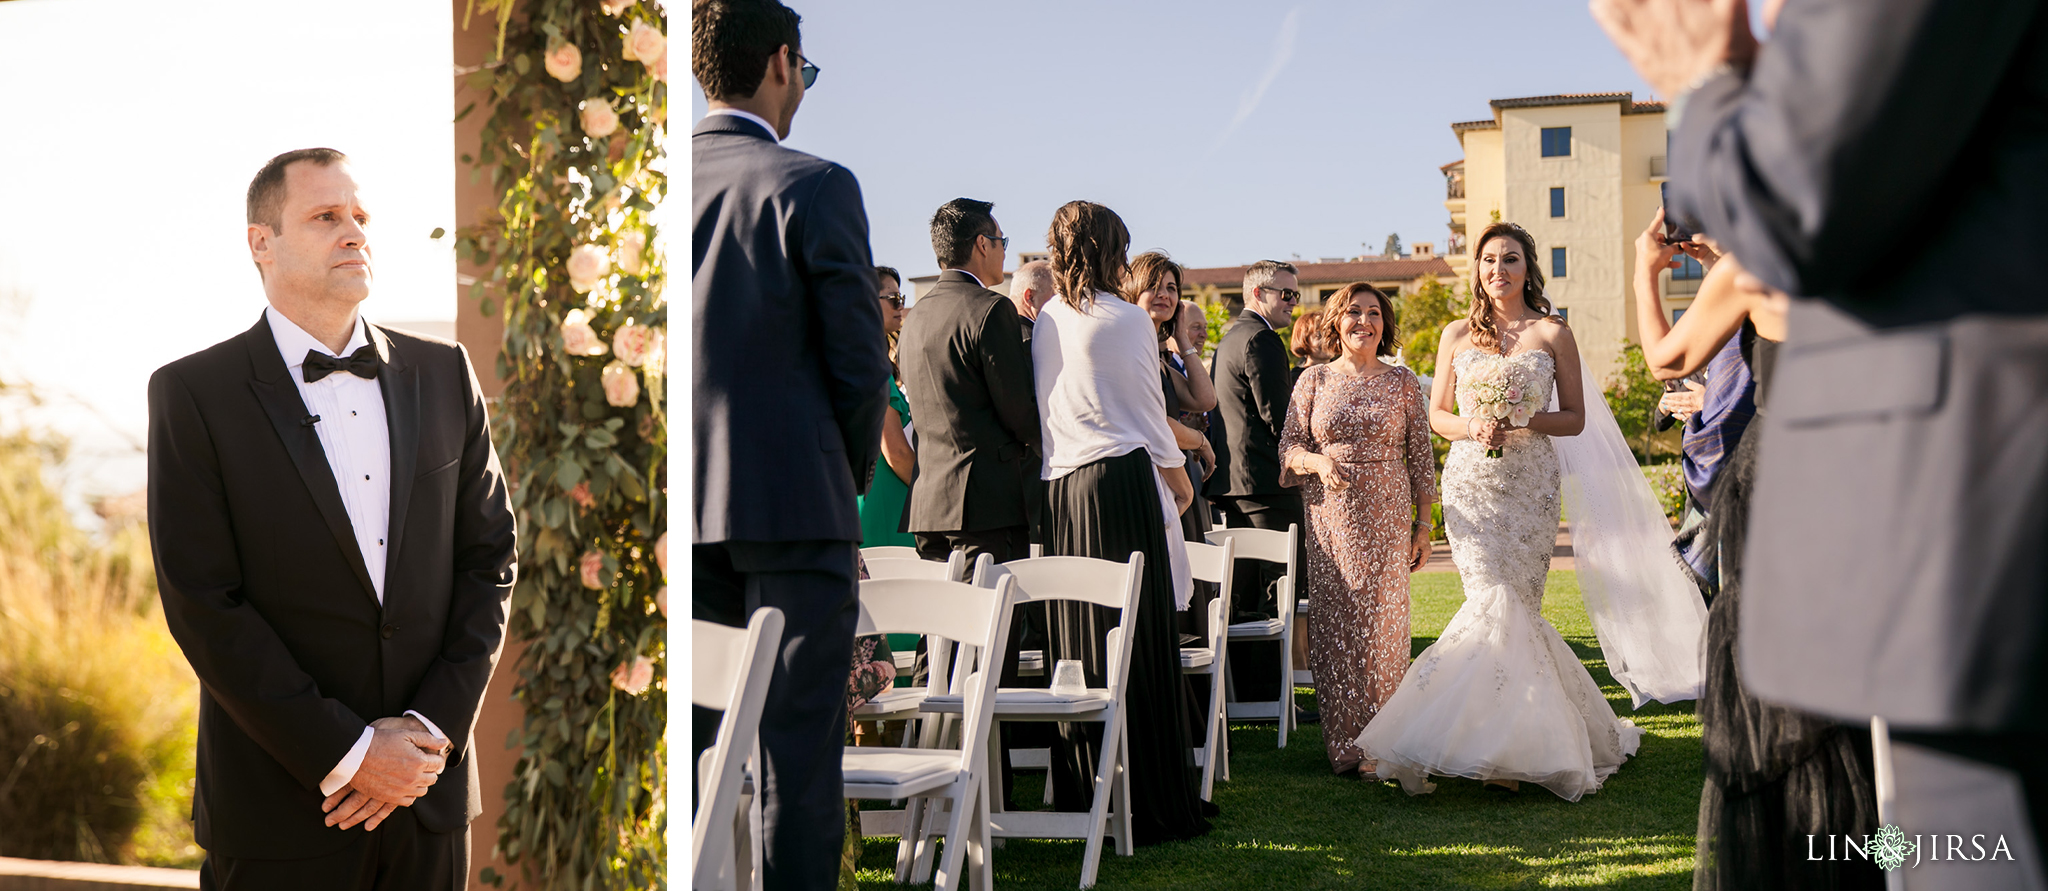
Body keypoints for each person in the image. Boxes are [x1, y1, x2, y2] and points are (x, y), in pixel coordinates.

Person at [1598, 0, 2048, 881]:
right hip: (1857, 465)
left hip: (1894, 486)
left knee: (1958, 837)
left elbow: (1803, 195)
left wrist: (1706, 85)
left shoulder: (1748, 267)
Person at [147, 148, 515, 888]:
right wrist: (348, 753)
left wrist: (427, 734)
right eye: (325, 216)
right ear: (262, 241)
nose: (354, 232)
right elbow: (204, 603)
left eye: (360, 215)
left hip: (426, 801)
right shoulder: (193, 393)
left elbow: (491, 558)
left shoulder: (445, 374)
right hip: (281, 811)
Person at [690, 2, 892, 887]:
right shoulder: (814, 184)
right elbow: (859, 371)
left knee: (697, 759)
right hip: (795, 513)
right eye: (805, 73)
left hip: (686, 519)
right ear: (780, 61)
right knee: (796, 765)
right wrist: (834, 489)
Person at [1356, 221, 1644, 801]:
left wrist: (1521, 419)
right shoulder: (1455, 333)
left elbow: (1575, 419)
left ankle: (1518, 748)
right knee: (1486, 603)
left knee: (1518, 608)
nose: (1498, 270)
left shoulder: (1553, 332)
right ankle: (1491, 747)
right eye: (1489, 260)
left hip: (1530, 485)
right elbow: (1437, 414)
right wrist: (1473, 424)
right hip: (1472, 485)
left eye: (1510, 259)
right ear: (1478, 270)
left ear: (1527, 268)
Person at [1633, 216, 1881, 890]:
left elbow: (1667, 359)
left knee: (1772, 690)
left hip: (1782, 481)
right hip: (1863, 477)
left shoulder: (1752, 270)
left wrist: (1642, 268)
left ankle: (1788, 860)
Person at [1034, 199, 1212, 845]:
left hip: (1064, 493)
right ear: (1111, 250)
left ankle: (1088, 788)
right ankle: (1155, 799)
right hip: (1120, 484)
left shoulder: (1049, 317)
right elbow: (1143, 409)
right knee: (1140, 639)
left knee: (1079, 645)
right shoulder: (1126, 318)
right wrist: (1177, 478)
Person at [1277, 283, 1437, 776]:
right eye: (1353, 312)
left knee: (1382, 626)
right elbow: (1287, 449)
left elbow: (1421, 458)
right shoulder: (1313, 382)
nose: (1363, 321)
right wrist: (1317, 460)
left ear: (1385, 325)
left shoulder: (1403, 382)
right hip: (1329, 518)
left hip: (1388, 515)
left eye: (1373, 313)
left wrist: (1425, 525)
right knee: (1335, 627)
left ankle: (1382, 741)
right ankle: (1343, 743)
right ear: (1335, 323)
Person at [896, 198, 1040, 566]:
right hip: (985, 505)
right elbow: (1018, 409)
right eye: (1001, 242)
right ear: (982, 244)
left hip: (927, 503)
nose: (1004, 253)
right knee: (992, 619)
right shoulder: (991, 309)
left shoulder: (915, 318)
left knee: (940, 621)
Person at [1207, 259, 1306, 705]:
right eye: (1284, 294)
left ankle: (1248, 693)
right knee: (1278, 587)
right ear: (1256, 295)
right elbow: (1278, 419)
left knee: (1246, 592)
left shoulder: (1230, 338)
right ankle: (1269, 693)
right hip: (1266, 484)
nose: (1292, 302)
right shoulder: (1262, 340)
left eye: (1295, 294)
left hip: (1236, 485)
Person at [857, 266, 916, 549]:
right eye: (893, 298)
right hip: (887, 510)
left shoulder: (858, 363)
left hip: (874, 502)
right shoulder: (870, 368)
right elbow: (896, 452)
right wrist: (930, 495)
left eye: (901, 298)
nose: (900, 306)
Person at [1009, 258, 1055, 344]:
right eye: (1055, 295)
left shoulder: (999, 330)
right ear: (1030, 297)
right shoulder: (1032, 342)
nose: (1061, 303)